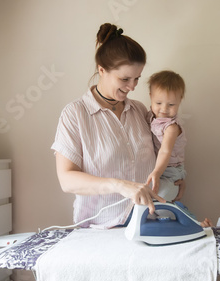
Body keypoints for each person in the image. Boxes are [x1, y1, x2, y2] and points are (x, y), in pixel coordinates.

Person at [51, 23, 170, 228]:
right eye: (124, 79)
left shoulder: (140, 111)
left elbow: (163, 151)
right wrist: (119, 185)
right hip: (100, 228)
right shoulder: (75, 114)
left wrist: (177, 175)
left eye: (136, 79)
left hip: (146, 222)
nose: (132, 87)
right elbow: (66, 180)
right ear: (102, 70)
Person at [146, 70, 187, 202]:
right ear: (151, 97)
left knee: (161, 198)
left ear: (180, 100)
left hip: (171, 172)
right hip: (157, 168)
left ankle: (181, 213)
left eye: (171, 105)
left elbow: (165, 150)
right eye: (158, 103)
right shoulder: (150, 116)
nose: (164, 109)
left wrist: (157, 172)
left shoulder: (171, 127)